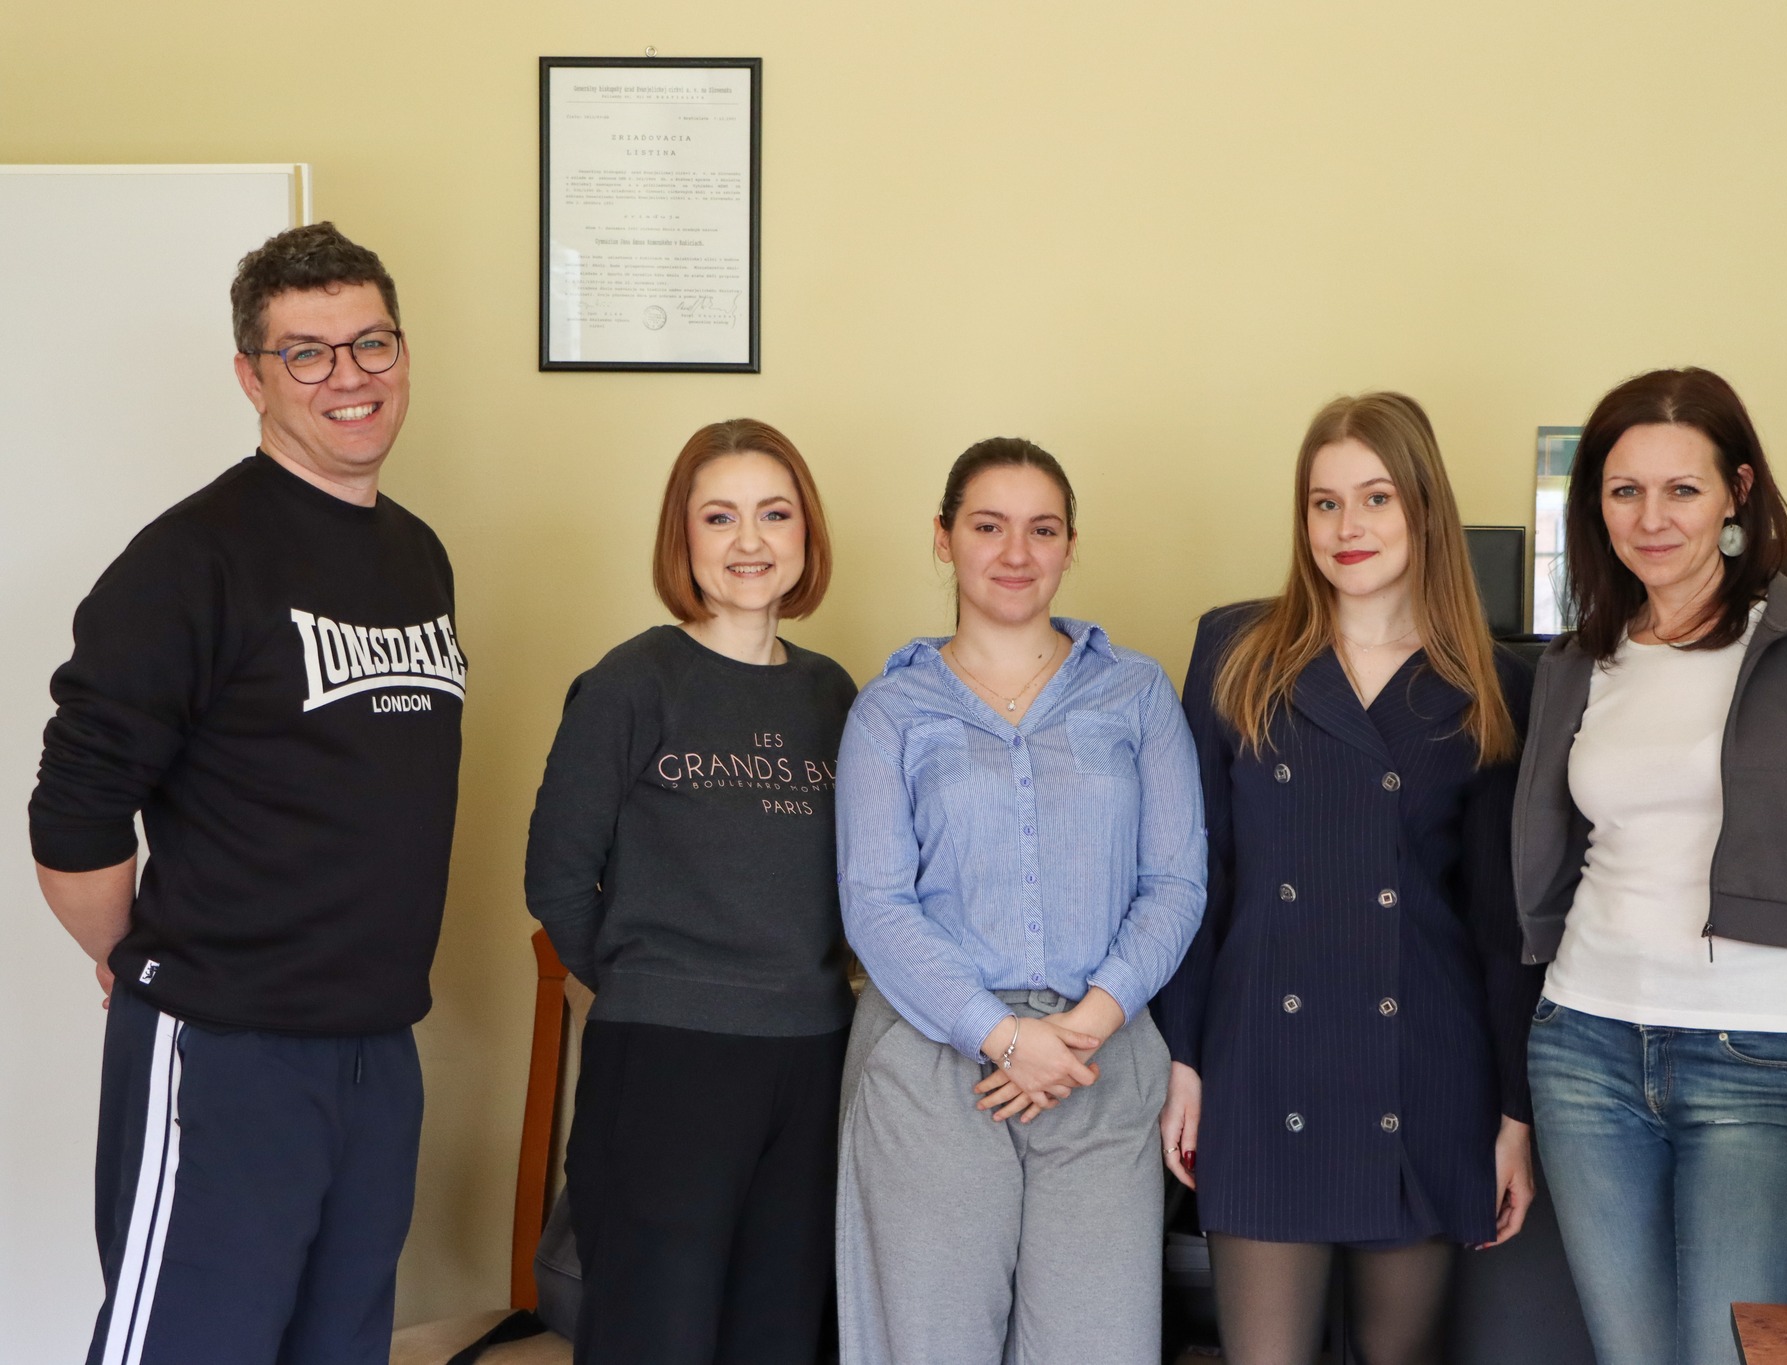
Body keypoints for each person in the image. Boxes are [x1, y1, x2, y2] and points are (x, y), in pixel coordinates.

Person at [29, 222, 462, 1365]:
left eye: (370, 343)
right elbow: (73, 814)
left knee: (341, 1344)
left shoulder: (418, 554)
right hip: (227, 1050)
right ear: (250, 376)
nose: (348, 376)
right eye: (306, 353)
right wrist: (143, 962)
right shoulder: (191, 560)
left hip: (377, 1049)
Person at [1514, 367, 1787, 1365]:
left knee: (1733, 1355)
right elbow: (1562, 854)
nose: (1651, 517)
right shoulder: (1579, 661)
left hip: (1762, 1058)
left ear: (1736, 493)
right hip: (1584, 1051)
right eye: (1625, 490)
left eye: (1682, 488)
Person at [1152, 393, 1542, 1365]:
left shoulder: (1488, 684)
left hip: (1424, 1068)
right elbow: (1197, 873)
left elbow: (1499, 922)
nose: (1345, 527)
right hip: (1259, 1063)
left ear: (1423, 508)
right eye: (1323, 503)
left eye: (1374, 498)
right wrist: (1182, 1058)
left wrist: (1514, 1112)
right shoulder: (1235, 650)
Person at [833, 438, 1206, 1365]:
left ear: (1070, 545)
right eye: (988, 526)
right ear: (943, 537)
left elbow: (1175, 882)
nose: (1015, 552)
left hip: (1100, 1057)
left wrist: (1082, 1027)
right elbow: (876, 904)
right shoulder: (889, 710)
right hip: (931, 1059)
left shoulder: (1137, 692)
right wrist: (1001, 1035)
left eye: (1042, 530)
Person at [525, 419, 856, 1365]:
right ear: (684, 534)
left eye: (774, 514)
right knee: (656, 1334)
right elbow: (556, 875)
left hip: (813, 1056)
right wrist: (652, 985)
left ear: (806, 532)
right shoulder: (633, 681)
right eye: (720, 516)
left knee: (780, 1331)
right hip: (667, 1058)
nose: (750, 541)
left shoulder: (834, 695)